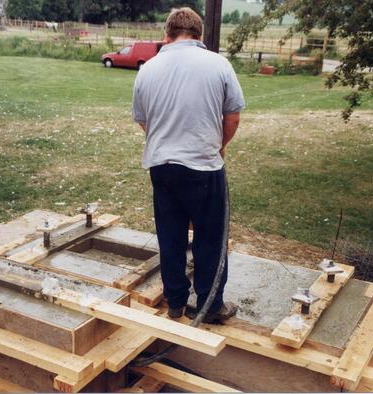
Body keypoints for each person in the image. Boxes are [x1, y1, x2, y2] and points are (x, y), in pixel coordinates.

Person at [132, 7, 245, 323]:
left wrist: (166, 140)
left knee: (171, 237)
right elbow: (232, 116)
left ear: (166, 35)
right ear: (199, 35)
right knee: (209, 237)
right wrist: (218, 146)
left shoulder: (148, 68)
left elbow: (144, 120)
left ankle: (176, 304)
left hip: (162, 166)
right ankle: (210, 306)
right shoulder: (218, 64)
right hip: (203, 167)